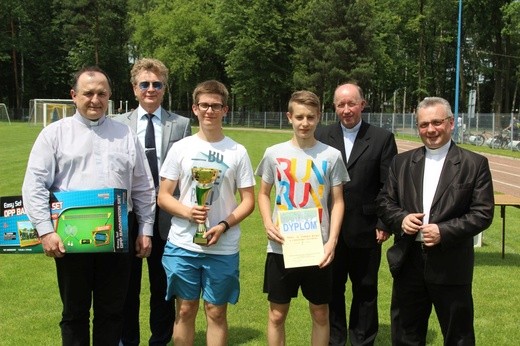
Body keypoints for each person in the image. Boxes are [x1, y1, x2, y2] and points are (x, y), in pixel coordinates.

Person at [22, 66, 156, 345]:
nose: (95, 99)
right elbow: (34, 185)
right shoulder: (54, 134)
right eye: (88, 93)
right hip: (70, 235)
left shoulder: (125, 134)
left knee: (112, 312)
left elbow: (143, 187)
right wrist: (46, 232)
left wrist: (145, 229)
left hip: (119, 233)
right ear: (74, 95)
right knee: (74, 312)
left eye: (102, 94)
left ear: (109, 96)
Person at [376, 96, 494, 345]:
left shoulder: (474, 164)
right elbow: (385, 202)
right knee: (406, 335)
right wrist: (402, 218)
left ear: (451, 123)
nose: (430, 130)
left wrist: (444, 231)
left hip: (451, 263)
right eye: (423, 124)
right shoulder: (401, 163)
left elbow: (482, 213)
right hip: (409, 262)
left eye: (437, 122)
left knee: (458, 336)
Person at [157, 80, 255, 345]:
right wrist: (189, 212)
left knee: (216, 311)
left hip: (222, 247)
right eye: (204, 105)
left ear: (225, 109)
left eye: (215, 106)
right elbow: (164, 196)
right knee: (185, 310)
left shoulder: (237, 151)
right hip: (183, 244)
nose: (209, 111)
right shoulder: (181, 148)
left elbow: (248, 201)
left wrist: (223, 224)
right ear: (194, 108)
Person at [256, 90, 349, 345]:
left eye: (310, 117)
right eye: (299, 117)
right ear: (289, 117)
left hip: (317, 247)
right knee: (277, 314)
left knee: (320, 312)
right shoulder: (274, 153)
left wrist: (332, 241)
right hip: (281, 245)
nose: (304, 123)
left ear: (319, 117)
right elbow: (263, 194)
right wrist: (267, 223)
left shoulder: (331, 156)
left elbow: (338, 200)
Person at [315, 83, 397, 346]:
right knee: (332, 290)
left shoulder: (383, 138)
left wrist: (384, 222)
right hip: (329, 230)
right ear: (334, 107)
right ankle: (335, 340)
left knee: (366, 290)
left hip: (367, 228)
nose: (346, 110)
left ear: (362, 104)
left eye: (352, 103)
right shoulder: (321, 135)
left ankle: (363, 341)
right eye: (341, 104)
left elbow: (389, 185)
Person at [116, 58, 191, 346]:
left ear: (164, 88)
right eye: (144, 84)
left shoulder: (181, 124)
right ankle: (127, 341)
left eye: (156, 84)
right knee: (126, 286)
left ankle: (160, 341)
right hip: (129, 215)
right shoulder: (117, 125)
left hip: (167, 218)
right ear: (134, 89)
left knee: (162, 286)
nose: (150, 89)